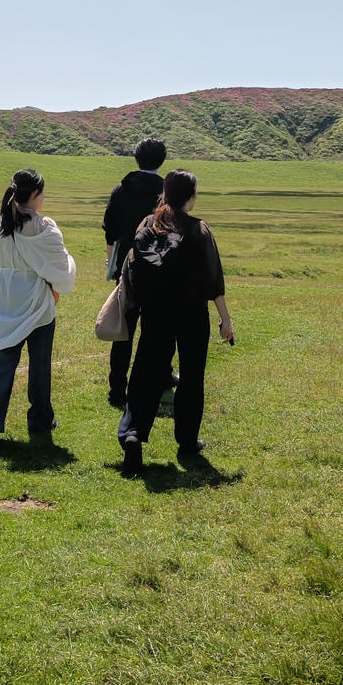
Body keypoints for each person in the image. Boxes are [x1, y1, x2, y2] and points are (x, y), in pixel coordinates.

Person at [116, 169, 233, 474]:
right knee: (192, 376)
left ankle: (133, 434)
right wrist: (225, 321)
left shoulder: (147, 225)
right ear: (191, 198)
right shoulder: (199, 230)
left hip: (155, 312)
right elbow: (213, 282)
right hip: (192, 314)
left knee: (145, 372)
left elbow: (133, 269)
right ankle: (187, 440)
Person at [0, 169, 77, 447]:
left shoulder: (2, 222)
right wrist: (55, 289)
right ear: (34, 195)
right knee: (40, 363)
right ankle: (40, 418)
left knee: (3, 359)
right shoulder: (44, 226)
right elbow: (60, 265)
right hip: (37, 296)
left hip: (7, 294)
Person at [101, 137, 167, 408]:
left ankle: (117, 388)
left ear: (136, 158)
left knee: (123, 329)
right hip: (159, 268)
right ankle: (157, 379)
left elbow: (110, 228)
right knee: (157, 330)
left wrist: (112, 266)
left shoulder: (121, 187)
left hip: (127, 267)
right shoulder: (166, 189)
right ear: (162, 160)